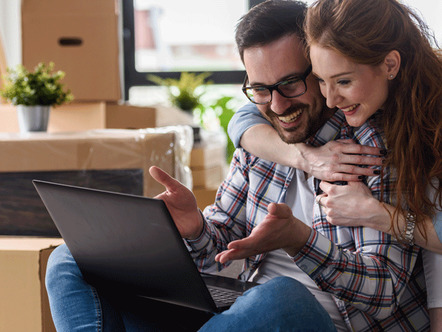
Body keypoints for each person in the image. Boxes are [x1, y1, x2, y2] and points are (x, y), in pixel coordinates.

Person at [45, 1, 429, 331]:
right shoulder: (260, 139)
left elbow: (384, 294)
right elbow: (221, 250)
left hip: (317, 319)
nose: (278, 106)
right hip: (237, 313)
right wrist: (194, 227)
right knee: (70, 259)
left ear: (319, 68)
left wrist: (301, 241)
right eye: (261, 89)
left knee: (280, 298)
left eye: (291, 84)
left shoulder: (368, 148)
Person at [227, 0, 441, 330]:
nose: (330, 100)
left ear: (390, 65)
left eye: (341, 81)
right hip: (253, 304)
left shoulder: (381, 143)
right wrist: (304, 157)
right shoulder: (271, 125)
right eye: (322, 81)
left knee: (279, 299)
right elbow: (242, 119)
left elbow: (408, 273)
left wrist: (376, 214)